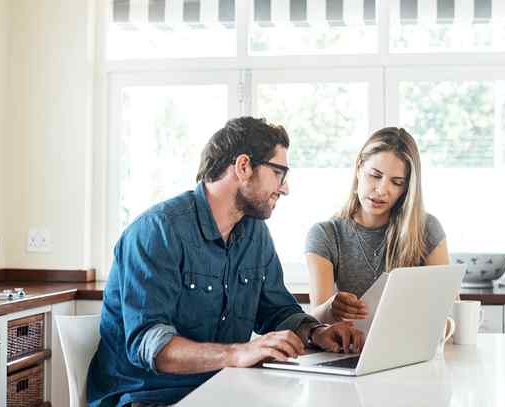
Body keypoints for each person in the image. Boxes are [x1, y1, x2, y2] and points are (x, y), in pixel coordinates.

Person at [87, 117, 364, 407]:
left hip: (225, 388)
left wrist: (316, 332)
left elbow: (277, 310)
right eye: (278, 173)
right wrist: (236, 353)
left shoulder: (254, 233)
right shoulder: (157, 231)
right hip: (147, 396)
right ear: (243, 167)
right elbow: (150, 344)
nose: (285, 188)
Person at [305, 127, 449, 324]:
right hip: (349, 348)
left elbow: (448, 312)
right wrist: (331, 308)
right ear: (359, 168)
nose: (382, 190)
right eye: (375, 175)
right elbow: (318, 321)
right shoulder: (325, 234)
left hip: (410, 350)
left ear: (406, 189)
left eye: (397, 182)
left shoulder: (426, 229)